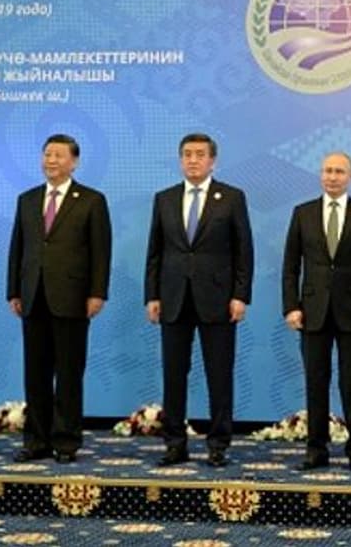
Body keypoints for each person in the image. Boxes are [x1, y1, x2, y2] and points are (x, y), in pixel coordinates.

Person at [145, 133, 253, 468]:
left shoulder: (231, 197)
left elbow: (244, 251)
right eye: (187, 154)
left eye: (199, 154)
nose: (193, 160)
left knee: (219, 375)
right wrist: (152, 295)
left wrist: (240, 295)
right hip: (173, 298)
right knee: (173, 375)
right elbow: (155, 252)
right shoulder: (165, 198)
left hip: (218, 299)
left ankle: (218, 444)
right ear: (181, 160)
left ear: (212, 161)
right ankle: (174, 444)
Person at [7, 134, 111, 464]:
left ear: (74, 162)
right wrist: (14, 290)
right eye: (47, 154)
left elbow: (101, 252)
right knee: (35, 374)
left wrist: (97, 292)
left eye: (58, 155)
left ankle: (66, 441)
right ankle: (36, 440)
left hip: (73, 297)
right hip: (33, 296)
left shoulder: (91, 200)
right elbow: (18, 247)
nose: (51, 160)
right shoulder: (27, 199)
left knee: (68, 374)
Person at [282, 152, 351, 473]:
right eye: (327, 170)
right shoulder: (303, 213)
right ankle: (316, 450)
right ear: (320, 175)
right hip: (312, 313)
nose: (332, 176)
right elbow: (290, 266)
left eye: (339, 171)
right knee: (315, 383)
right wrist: (291, 306)